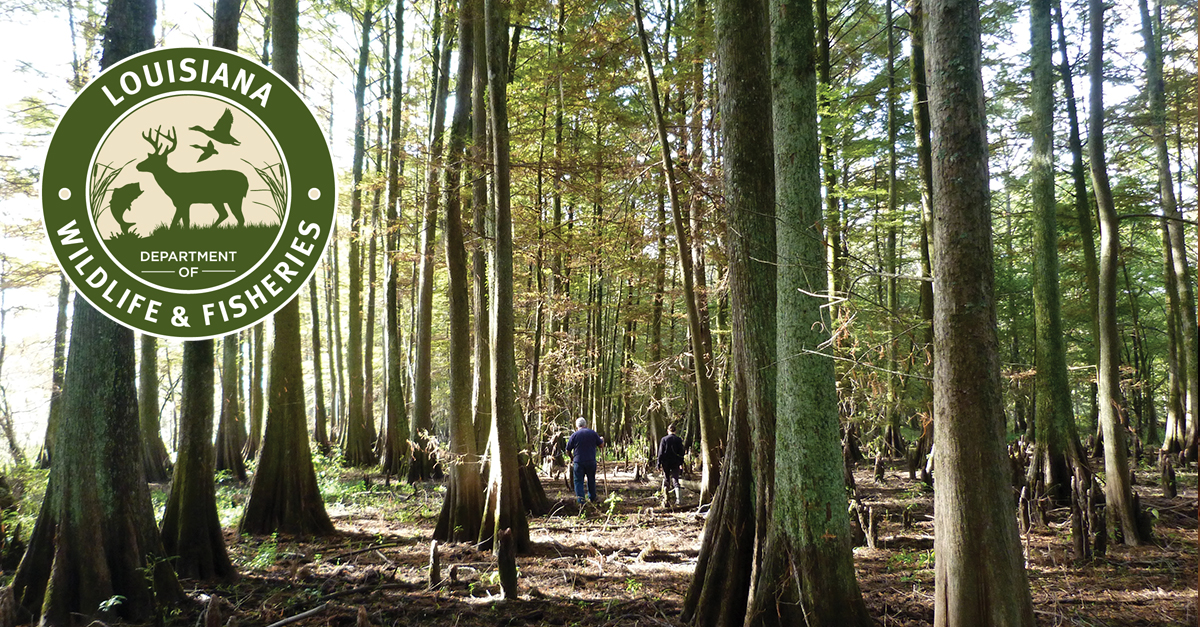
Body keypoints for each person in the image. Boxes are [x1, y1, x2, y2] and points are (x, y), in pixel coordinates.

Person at [566, 417, 604, 504]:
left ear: (577, 426)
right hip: (591, 461)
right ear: (585, 424)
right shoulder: (592, 433)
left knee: (578, 481)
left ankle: (581, 501)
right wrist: (602, 440)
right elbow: (601, 445)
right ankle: (592, 498)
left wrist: (572, 457)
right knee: (591, 479)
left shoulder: (574, 435)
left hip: (578, 461)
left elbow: (567, 450)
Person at [657, 424, 685, 506]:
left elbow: (661, 452)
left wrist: (658, 464)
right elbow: (681, 453)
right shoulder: (679, 440)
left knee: (666, 479)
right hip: (675, 462)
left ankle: (666, 499)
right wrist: (681, 463)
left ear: (668, 431)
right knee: (675, 480)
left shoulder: (664, 439)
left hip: (666, 462)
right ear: (675, 431)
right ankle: (679, 500)